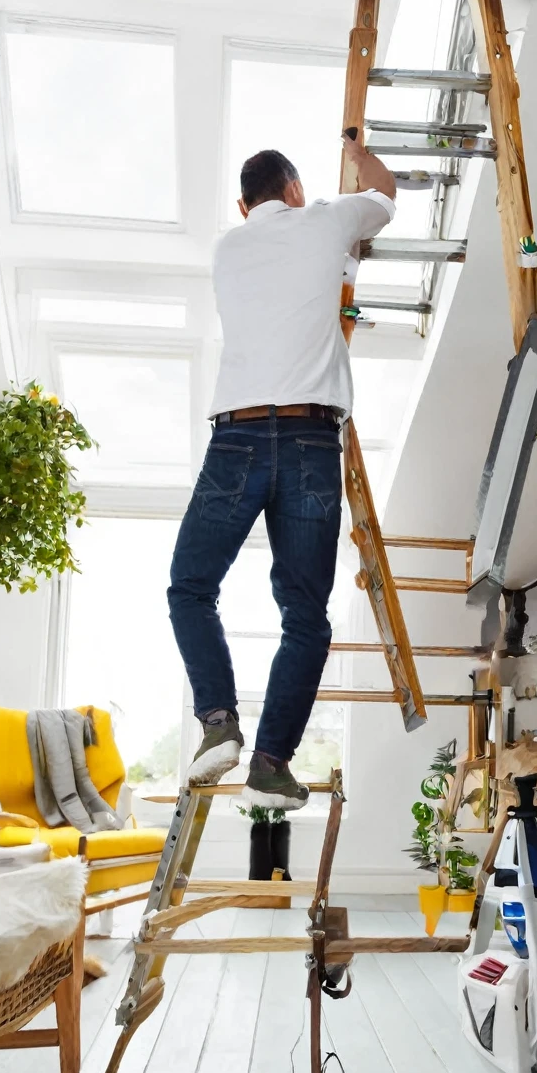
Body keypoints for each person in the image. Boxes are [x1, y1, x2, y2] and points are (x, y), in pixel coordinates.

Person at [168, 135, 397, 809]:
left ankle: (218, 723)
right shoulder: (326, 220)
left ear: (244, 206)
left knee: (190, 588)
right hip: (308, 440)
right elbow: (385, 193)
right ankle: (270, 765)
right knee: (306, 616)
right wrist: (357, 151)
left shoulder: (227, 248)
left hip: (235, 439)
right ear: (295, 190)